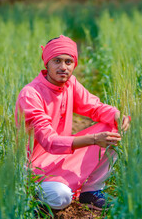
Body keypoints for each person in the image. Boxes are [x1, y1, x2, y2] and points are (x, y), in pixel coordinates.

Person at [15, 35, 130, 211]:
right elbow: (50, 141)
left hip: (61, 155)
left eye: (68, 62)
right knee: (61, 196)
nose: (63, 67)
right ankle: (29, 193)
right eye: (57, 61)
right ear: (47, 63)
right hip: (34, 167)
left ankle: (90, 191)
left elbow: (94, 107)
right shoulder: (31, 94)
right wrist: (93, 139)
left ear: (74, 65)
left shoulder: (70, 84)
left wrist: (117, 116)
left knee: (113, 128)